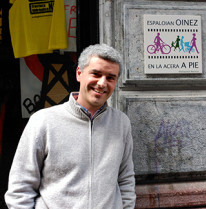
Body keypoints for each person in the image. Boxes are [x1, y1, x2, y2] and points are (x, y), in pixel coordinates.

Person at [5, 44, 136, 209]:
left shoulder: (121, 123)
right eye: (96, 74)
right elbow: (20, 188)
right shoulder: (43, 121)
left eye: (110, 77)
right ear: (79, 73)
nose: (102, 83)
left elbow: (125, 179)